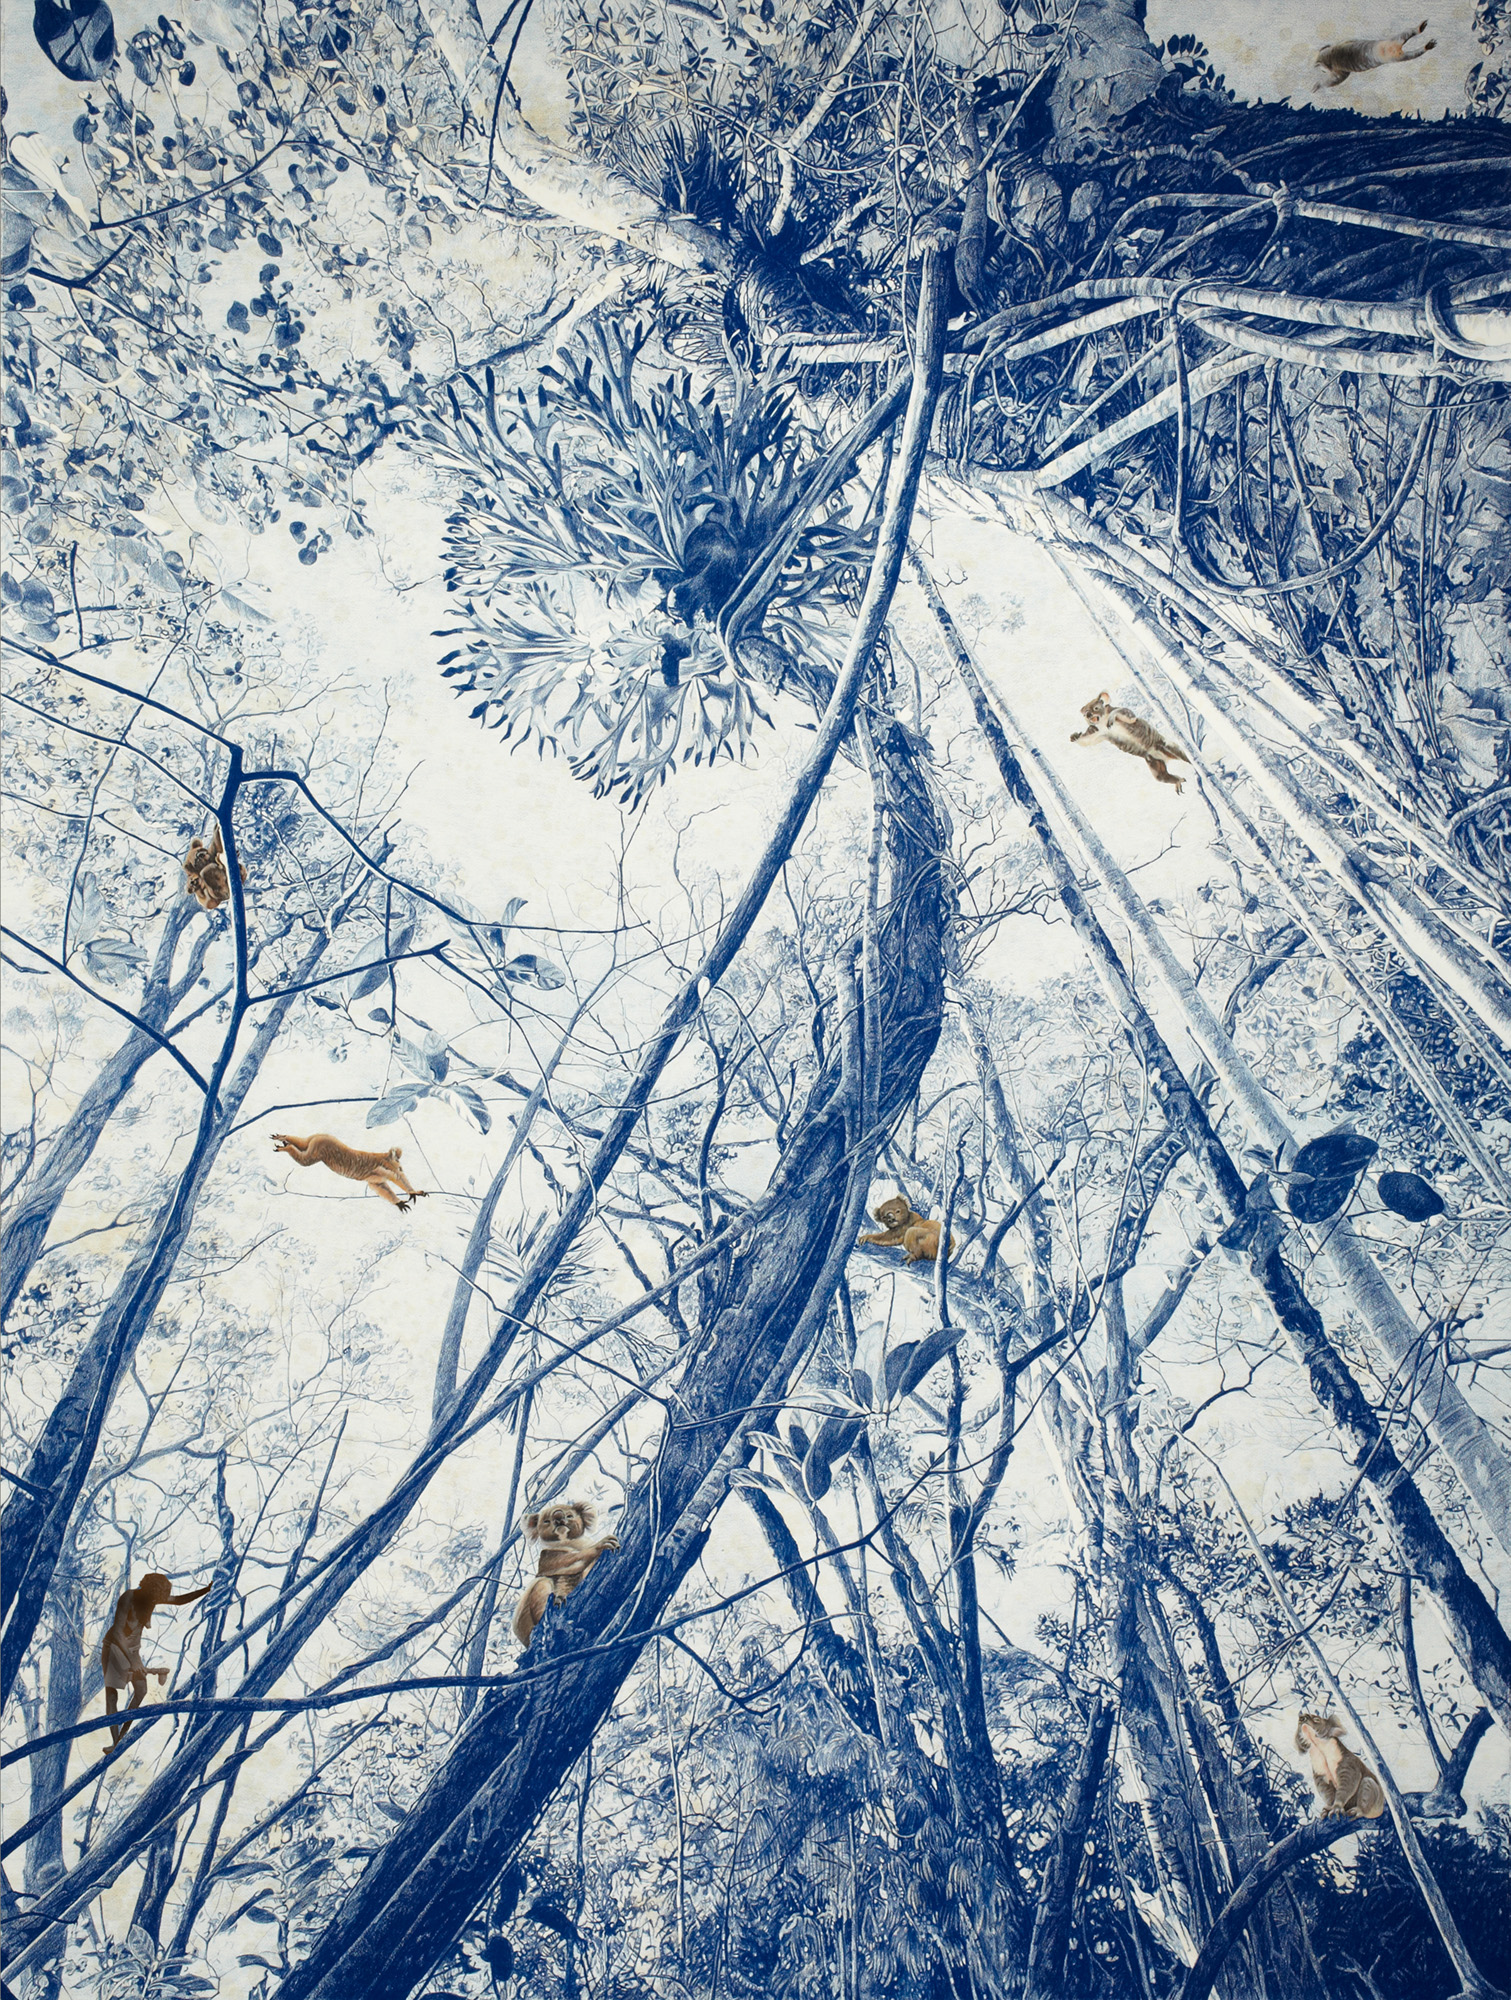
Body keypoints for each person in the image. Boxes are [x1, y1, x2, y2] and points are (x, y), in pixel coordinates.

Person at [100, 1571, 211, 1751]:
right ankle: (115, 1740)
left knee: (141, 1690)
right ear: (149, 1590)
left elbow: (179, 1600)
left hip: (133, 1650)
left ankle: (120, 1739)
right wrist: (134, 1663)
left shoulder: (151, 1599)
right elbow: (119, 1633)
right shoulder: (129, 1597)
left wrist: (206, 1590)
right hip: (114, 1647)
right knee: (112, 1696)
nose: (157, 1601)